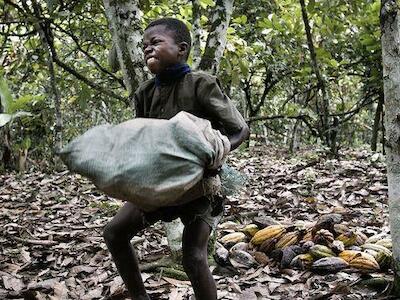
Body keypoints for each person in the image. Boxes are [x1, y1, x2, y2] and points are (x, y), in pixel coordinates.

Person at [103, 17, 249, 300]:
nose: (147, 49)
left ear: (181, 49)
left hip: (201, 185)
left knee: (193, 257)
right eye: (144, 45)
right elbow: (143, 136)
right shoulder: (145, 92)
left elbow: (240, 130)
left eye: (155, 42)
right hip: (161, 183)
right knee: (114, 233)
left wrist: (215, 154)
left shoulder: (200, 84)